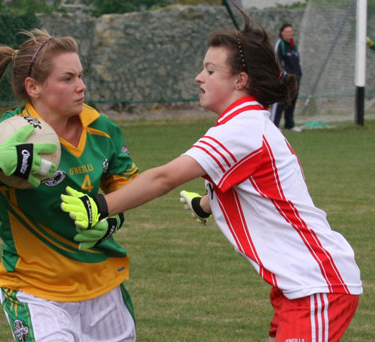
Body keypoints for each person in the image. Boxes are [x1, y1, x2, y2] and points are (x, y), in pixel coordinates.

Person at [60, 6, 362, 342]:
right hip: (303, 286)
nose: (198, 77)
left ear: (239, 81)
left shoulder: (241, 129)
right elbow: (256, 192)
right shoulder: (246, 125)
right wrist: (205, 205)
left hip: (317, 285)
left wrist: (99, 207)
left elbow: (165, 178)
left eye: (210, 70)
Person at [0, 28, 139, 341]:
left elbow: (129, 188)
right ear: (34, 87)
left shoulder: (100, 126)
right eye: (67, 78)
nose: (81, 86)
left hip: (102, 285)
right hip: (36, 292)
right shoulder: (6, 136)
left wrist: (113, 218)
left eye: (80, 76)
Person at [271, 23, 302, 132]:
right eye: (287, 31)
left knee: (292, 101)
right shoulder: (280, 44)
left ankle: (289, 125)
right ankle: (274, 125)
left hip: (295, 78)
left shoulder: (293, 45)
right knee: (280, 100)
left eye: (291, 31)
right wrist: (283, 75)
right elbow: (276, 61)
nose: (289, 34)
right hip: (285, 78)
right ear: (282, 33)